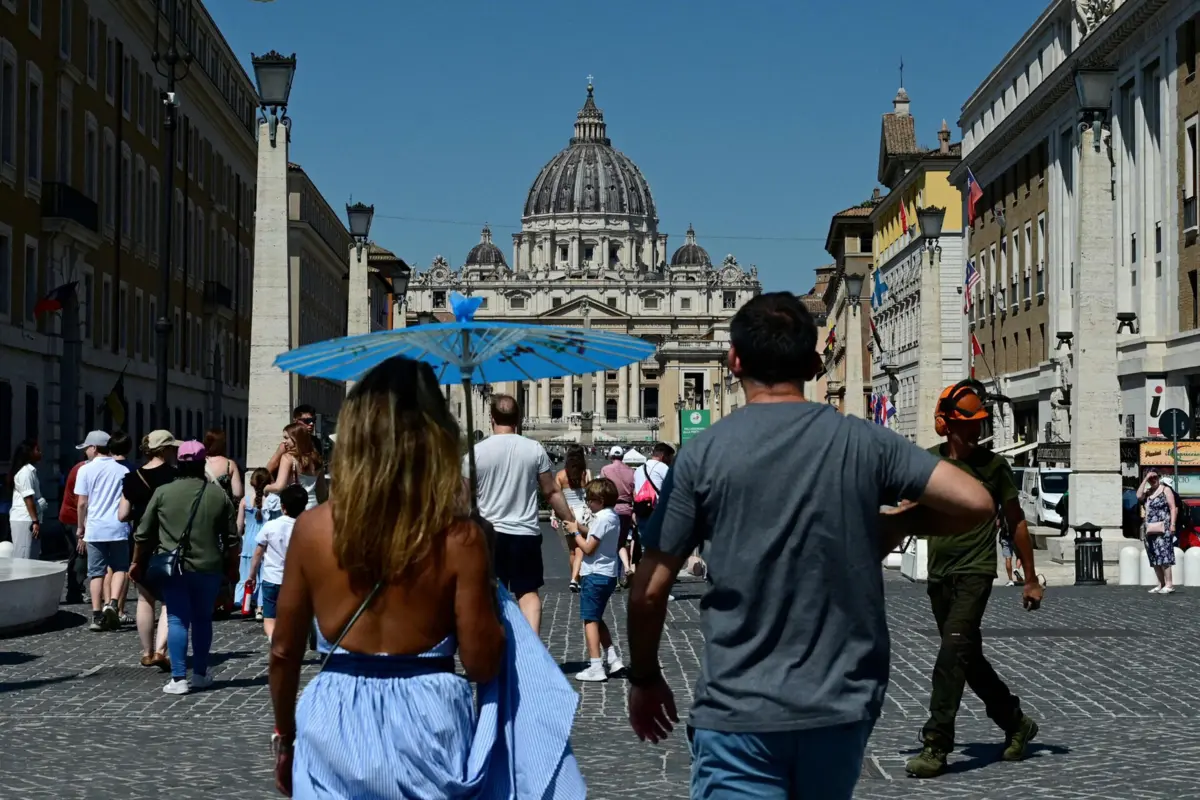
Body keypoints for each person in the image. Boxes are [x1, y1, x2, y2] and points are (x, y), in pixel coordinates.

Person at [626, 292, 995, 799]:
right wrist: (896, 524)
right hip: (840, 704)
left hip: (739, 708)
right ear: (813, 362)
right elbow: (976, 501)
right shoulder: (863, 440)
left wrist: (645, 677)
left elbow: (648, 591)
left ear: (733, 361)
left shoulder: (702, 454)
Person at [269, 356, 584, 798]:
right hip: (428, 717)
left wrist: (285, 736)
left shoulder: (313, 528)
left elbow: (283, 651)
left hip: (333, 715)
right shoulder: (459, 537)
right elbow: (480, 662)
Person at [903, 380, 1044, 779]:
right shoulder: (927, 464)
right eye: (968, 423)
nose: (976, 430)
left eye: (980, 423)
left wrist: (1030, 578)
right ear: (945, 424)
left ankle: (936, 745)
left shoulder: (994, 467)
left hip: (976, 572)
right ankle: (1017, 723)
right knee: (969, 659)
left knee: (951, 655)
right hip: (939, 576)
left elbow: (1016, 522)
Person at [131, 440, 240, 695]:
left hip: (174, 568)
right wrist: (233, 569)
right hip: (209, 567)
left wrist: (136, 562)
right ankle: (200, 674)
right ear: (202, 463)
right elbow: (233, 539)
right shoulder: (218, 495)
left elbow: (143, 534)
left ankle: (179, 678)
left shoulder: (163, 493)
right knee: (203, 620)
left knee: (178, 619)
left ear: (178, 463)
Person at [468, 394, 575, 634]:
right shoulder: (534, 448)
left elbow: (459, 497)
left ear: (491, 418)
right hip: (524, 533)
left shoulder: (475, 453)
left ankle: (494, 652)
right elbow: (551, 492)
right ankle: (532, 653)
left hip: (488, 535)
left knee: (490, 595)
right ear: (518, 418)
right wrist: (570, 519)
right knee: (528, 594)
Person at [118, 430, 178, 669]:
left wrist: (139, 514)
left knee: (145, 597)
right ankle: (162, 650)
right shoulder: (175, 476)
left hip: (141, 542)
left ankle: (147, 652)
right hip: (168, 540)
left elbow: (122, 514)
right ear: (165, 450)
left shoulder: (133, 478)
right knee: (169, 599)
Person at [565, 477, 627, 682]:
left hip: (595, 573)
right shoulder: (612, 516)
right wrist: (579, 528)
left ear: (599, 500)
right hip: (608, 574)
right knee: (597, 617)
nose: (588, 503)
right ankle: (613, 659)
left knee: (590, 620)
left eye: (590, 500)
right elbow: (594, 536)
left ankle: (595, 666)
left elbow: (588, 548)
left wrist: (575, 533)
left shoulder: (601, 519)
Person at [76, 430, 132, 632]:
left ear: (93, 448)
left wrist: (80, 527)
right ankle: (114, 604)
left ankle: (97, 615)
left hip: (95, 528)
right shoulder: (122, 471)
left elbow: (82, 503)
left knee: (96, 573)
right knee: (119, 568)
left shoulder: (85, 470)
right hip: (118, 527)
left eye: (86, 449)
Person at [246, 485, 307, 640]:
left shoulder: (271, 526)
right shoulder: (307, 527)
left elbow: (258, 553)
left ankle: (274, 639)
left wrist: (251, 575)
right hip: (296, 581)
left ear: (282, 506)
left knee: (270, 617)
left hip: (271, 578)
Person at [238, 468, 281, 620]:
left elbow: (239, 526)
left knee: (247, 573)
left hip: (249, 541)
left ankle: (247, 603)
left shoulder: (244, 501)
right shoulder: (273, 502)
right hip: (265, 541)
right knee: (264, 574)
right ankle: (260, 608)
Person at [552, 445, 592, 593]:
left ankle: (574, 578)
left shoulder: (561, 475)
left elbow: (556, 497)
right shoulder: (585, 473)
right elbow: (590, 495)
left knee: (572, 551)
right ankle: (576, 578)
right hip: (583, 514)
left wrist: (555, 515)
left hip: (567, 513)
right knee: (581, 547)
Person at [106, 430, 135, 622]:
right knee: (121, 569)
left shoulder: (103, 468)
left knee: (107, 569)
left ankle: (107, 603)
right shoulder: (129, 470)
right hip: (122, 524)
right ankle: (120, 609)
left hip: (100, 524)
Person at [266, 422, 326, 511]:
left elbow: (279, 486)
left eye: (286, 438)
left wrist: (265, 488)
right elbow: (322, 492)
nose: (284, 441)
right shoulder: (317, 459)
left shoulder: (288, 458)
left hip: (296, 506)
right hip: (313, 506)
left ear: (296, 439)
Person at [600, 446, 637, 585]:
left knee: (610, 543)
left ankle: (614, 578)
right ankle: (625, 570)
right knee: (621, 542)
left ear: (610, 456)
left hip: (611, 509)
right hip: (626, 509)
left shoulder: (605, 470)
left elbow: (602, 490)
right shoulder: (631, 471)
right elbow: (634, 493)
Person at [60, 445, 92, 603]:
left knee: (76, 554)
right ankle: (75, 590)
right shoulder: (82, 470)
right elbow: (80, 502)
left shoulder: (82, 468)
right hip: (74, 518)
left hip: (72, 517)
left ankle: (75, 589)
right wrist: (82, 532)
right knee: (80, 553)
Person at [1137, 469, 1178, 594]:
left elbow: (1172, 508)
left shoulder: (1166, 490)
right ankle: (1161, 583)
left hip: (1163, 528)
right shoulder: (1148, 492)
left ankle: (1169, 584)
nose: (1153, 480)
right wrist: (1145, 479)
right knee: (1154, 556)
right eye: (1150, 478)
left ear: (1159, 477)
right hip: (1150, 529)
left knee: (1164, 555)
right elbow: (1138, 496)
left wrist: (1172, 524)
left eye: (1155, 477)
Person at [8, 439, 47, 560]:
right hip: (25, 519)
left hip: (29, 519)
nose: (40, 453)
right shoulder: (25, 472)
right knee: (24, 556)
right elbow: (28, 498)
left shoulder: (30, 471)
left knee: (31, 556)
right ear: (29, 452)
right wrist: (35, 521)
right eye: (37, 450)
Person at [266, 404, 317, 477]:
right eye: (307, 421)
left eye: (313, 420)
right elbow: (269, 468)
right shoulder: (286, 445)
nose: (311, 424)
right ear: (295, 421)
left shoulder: (315, 442)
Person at [204, 428, 244, 505]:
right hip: (223, 508)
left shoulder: (200, 462)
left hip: (204, 507)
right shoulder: (230, 464)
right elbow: (237, 493)